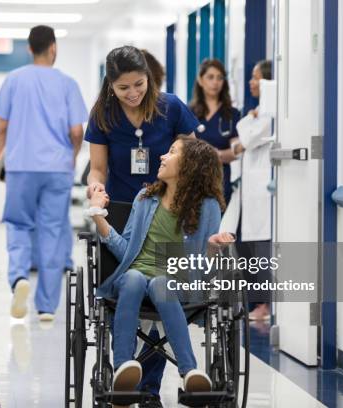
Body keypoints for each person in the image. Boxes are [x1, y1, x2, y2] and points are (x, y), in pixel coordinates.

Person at [85, 46, 199, 407]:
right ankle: (123, 375)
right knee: (131, 287)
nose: (133, 93)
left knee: (160, 291)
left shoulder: (171, 108)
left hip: (167, 211)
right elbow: (98, 168)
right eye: (123, 88)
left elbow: (192, 161)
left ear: (149, 78)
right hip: (120, 211)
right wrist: (95, 186)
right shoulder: (103, 114)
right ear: (111, 87)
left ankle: (148, 390)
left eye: (139, 84)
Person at [88, 138, 234, 405]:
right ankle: (123, 369)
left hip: (177, 284)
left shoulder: (208, 206)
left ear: (191, 165)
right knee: (132, 277)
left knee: (161, 284)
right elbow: (125, 249)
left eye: (172, 152)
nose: (162, 157)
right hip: (135, 278)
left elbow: (201, 268)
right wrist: (98, 215)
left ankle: (189, 372)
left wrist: (212, 249)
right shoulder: (145, 198)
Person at [0, 25, 87, 322]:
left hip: (21, 165)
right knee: (52, 231)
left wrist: (1, 159)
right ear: (54, 48)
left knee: (19, 225)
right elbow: (76, 130)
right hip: (57, 167)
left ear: (29, 49)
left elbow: (2, 126)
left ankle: (19, 277)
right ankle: (46, 306)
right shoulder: (68, 84)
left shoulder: (14, 80)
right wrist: (70, 157)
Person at [228, 60, 274, 321]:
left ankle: (263, 305)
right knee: (244, 246)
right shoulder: (257, 113)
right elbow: (240, 142)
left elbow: (243, 140)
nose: (251, 82)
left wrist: (245, 129)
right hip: (248, 190)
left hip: (260, 191)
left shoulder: (269, 114)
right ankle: (253, 301)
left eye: (256, 78)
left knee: (258, 249)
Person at [189, 59, 241, 206]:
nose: (215, 82)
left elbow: (235, 149)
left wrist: (216, 155)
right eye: (210, 77)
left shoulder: (232, 114)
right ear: (200, 80)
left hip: (221, 181)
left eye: (219, 78)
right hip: (194, 180)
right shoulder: (189, 112)